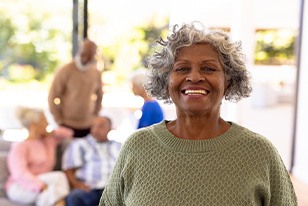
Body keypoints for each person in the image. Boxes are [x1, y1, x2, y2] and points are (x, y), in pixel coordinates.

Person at [99, 22, 297, 205]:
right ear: (166, 81)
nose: (194, 77)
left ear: (228, 81)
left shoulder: (259, 153)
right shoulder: (137, 147)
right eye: (182, 68)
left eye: (208, 68)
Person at [5, 106, 73, 206]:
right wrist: (40, 186)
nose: (47, 123)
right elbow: (19, 173)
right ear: (34, 124)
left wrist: (52, 132)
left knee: (50, 194)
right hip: (20, 186)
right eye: (44, 120)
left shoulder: (49, 140)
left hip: (46, 183)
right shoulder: (20, 146)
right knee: (59, 177)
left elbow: (69, 133)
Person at [48, 38, 103, 137]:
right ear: (80, 50)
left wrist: (95, 115)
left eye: (90, 53)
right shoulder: (65, 70)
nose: (86, 56)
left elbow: (100, 96)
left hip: (88, 124)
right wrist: (59, 120)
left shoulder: (95, 72)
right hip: (67, 124)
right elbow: (52, 96)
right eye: (84, 52)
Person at [62, 116, 121, 206]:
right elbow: (68, 170)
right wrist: (77, 185)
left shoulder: (119, 146)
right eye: (93, 126)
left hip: (113, 190)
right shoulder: (80, 144)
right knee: (75, 197)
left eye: (100, 126)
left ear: (110, 128)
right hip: (89, 190)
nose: (95, 130)